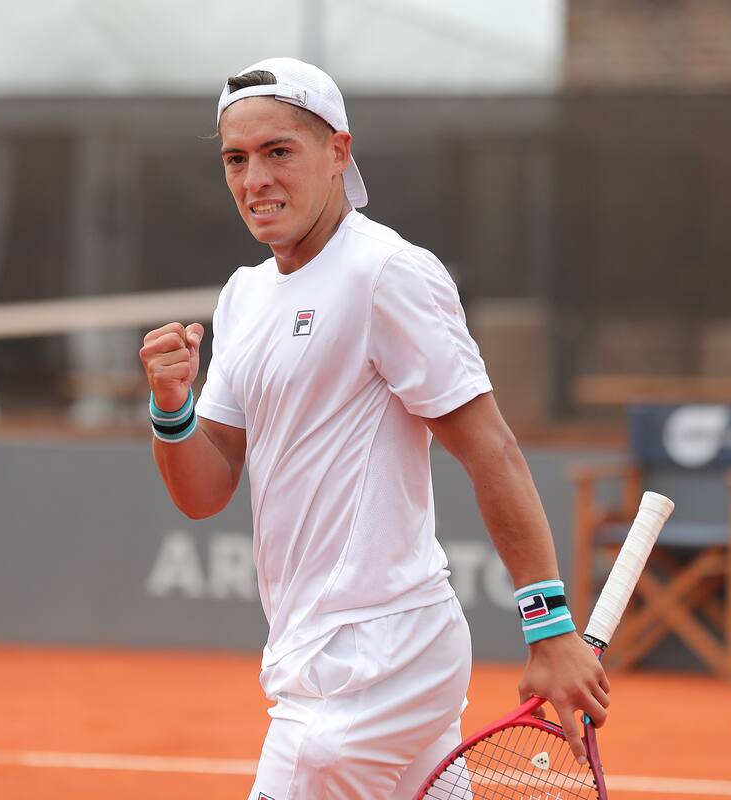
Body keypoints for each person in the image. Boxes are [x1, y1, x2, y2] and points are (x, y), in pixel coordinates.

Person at [138, 57, 609, 800]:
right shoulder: (244, 297)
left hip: (366, 658)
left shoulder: (389, 272)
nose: (254, 179)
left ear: (338, 152)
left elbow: (489, 447)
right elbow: (206, 490)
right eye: (236, 158)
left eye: (278, 152)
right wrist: (172, 408)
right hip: (340, 653)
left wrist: (549, 626)